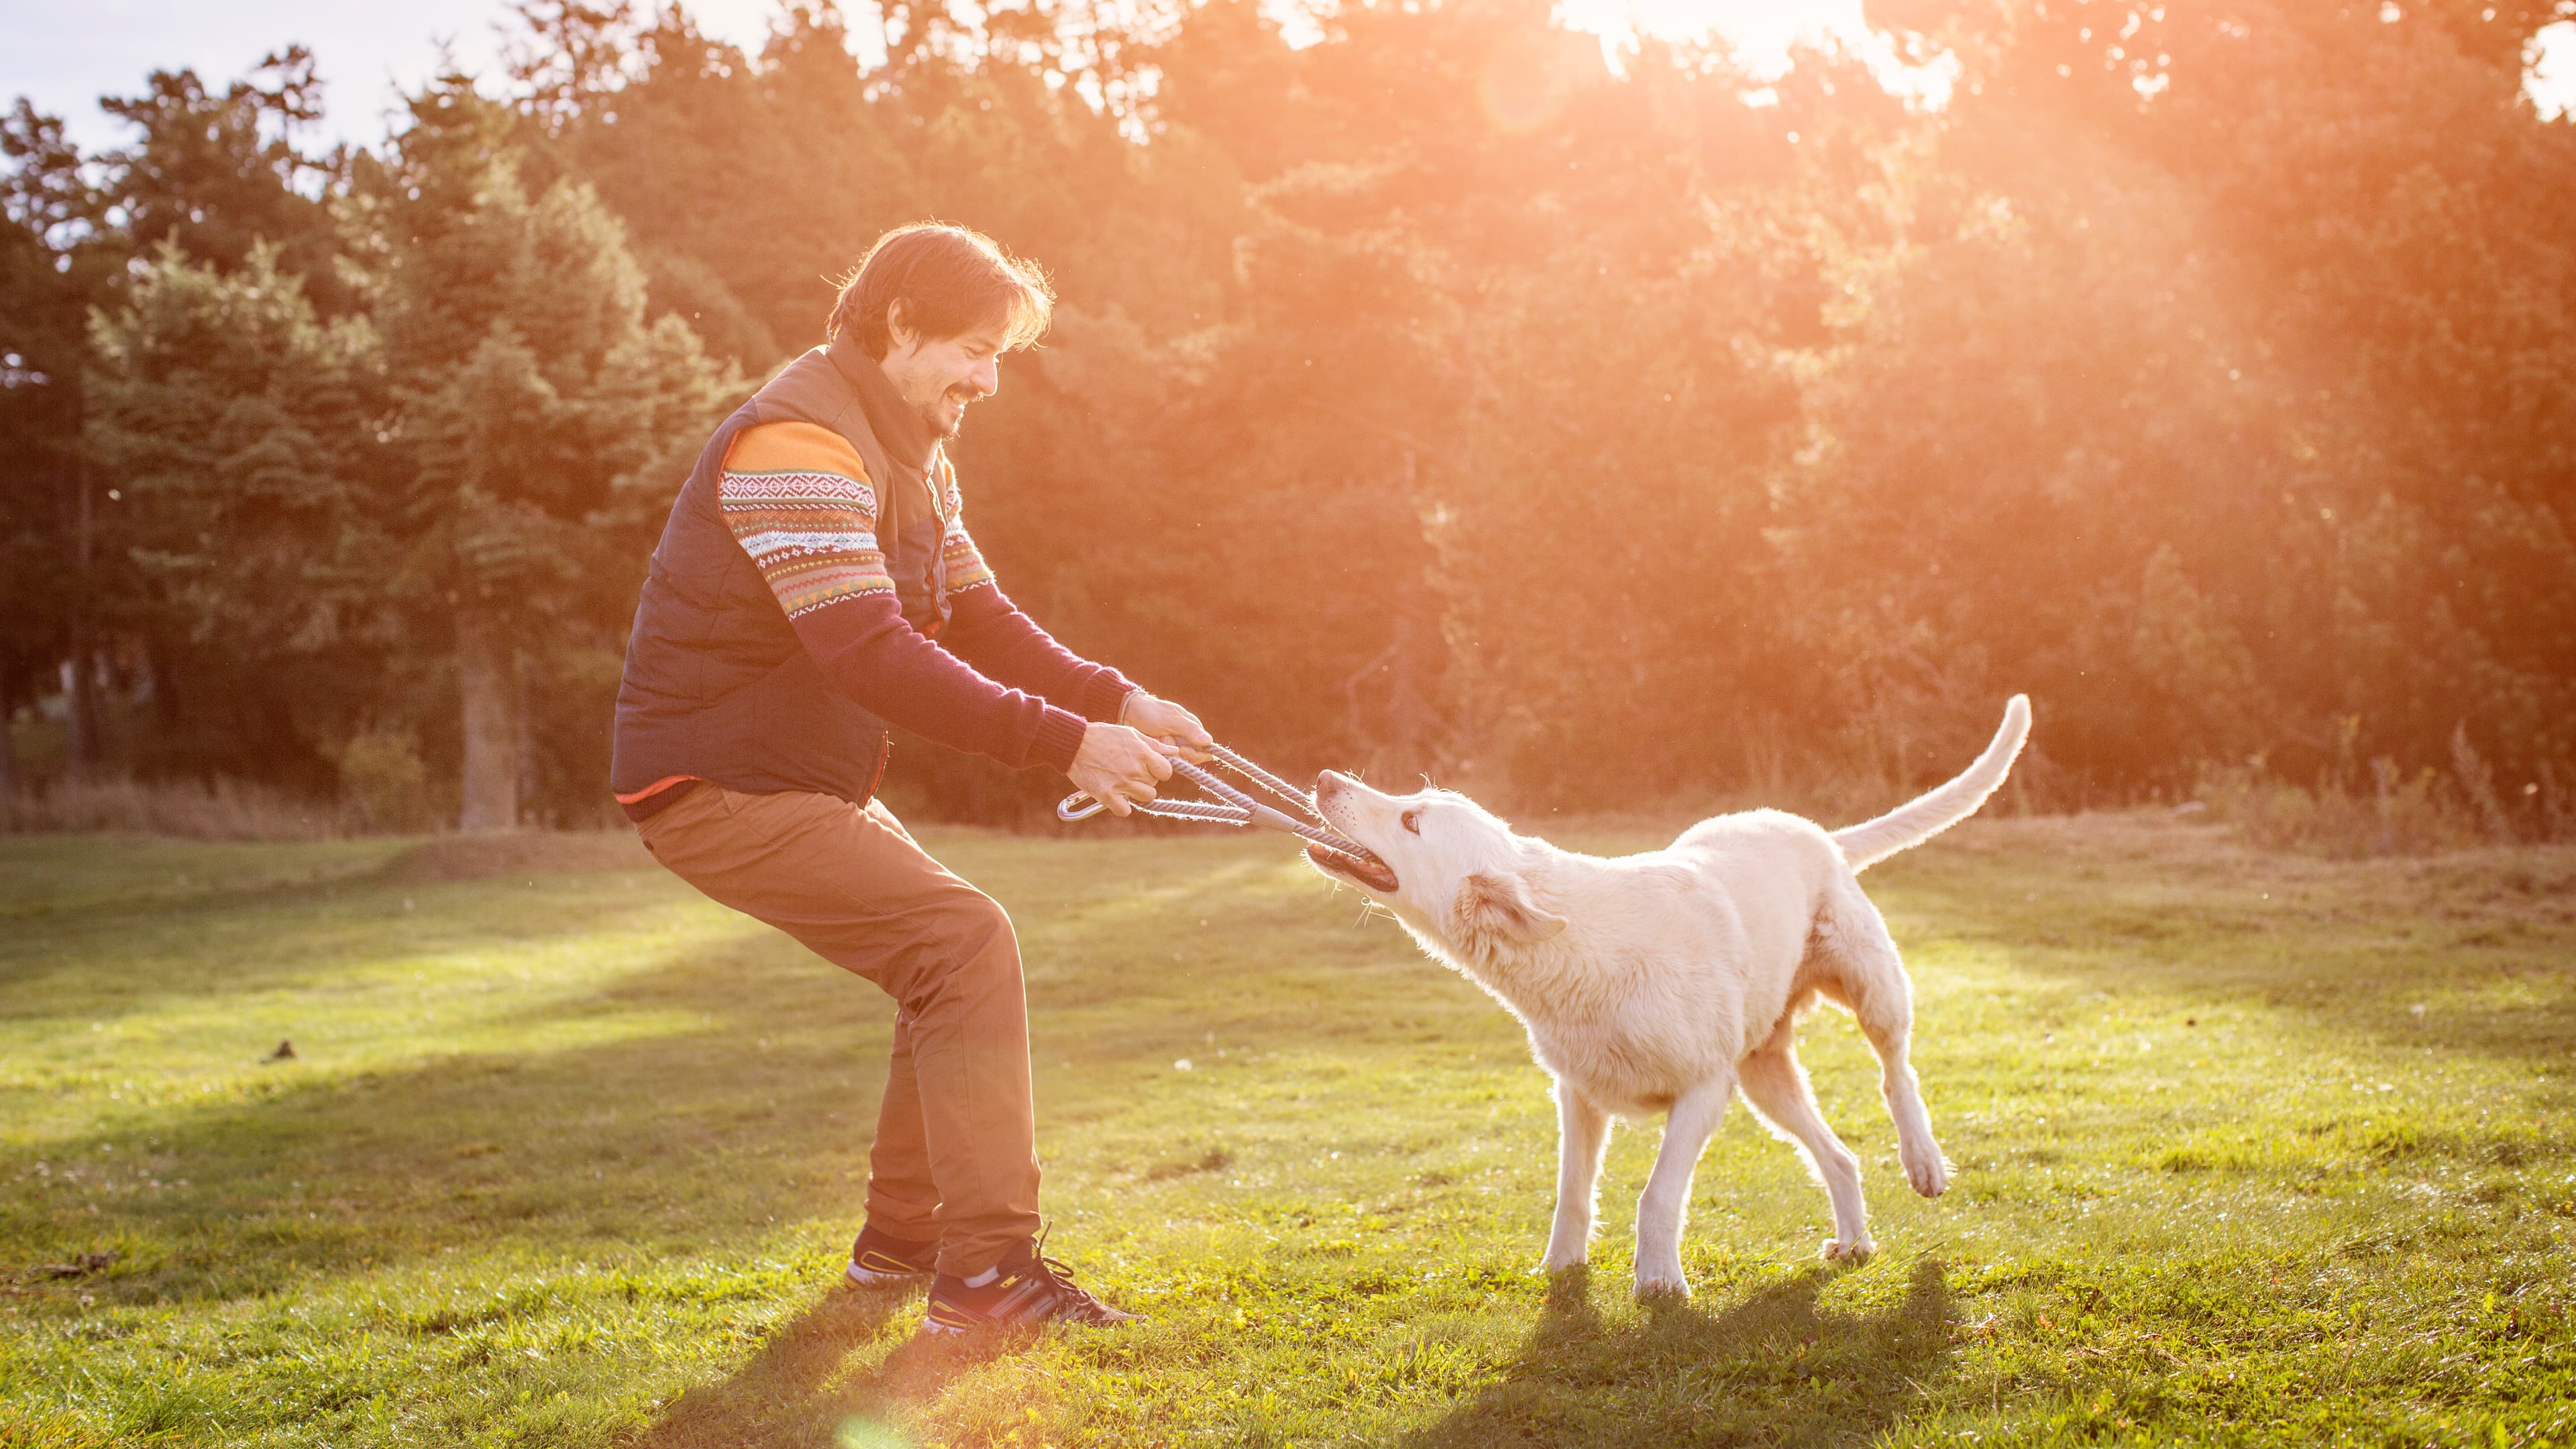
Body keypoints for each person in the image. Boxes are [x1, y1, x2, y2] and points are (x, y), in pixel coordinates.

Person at [609, 222, 1210, 1336]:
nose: (987, 379)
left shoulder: (914, 457)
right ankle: (986, 1277)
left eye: (999, 357)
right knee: (963, 941)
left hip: (791, 779)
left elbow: (982, 615)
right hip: (714, 784)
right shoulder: (797, 445)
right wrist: (1068, 744)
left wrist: (1117, 701)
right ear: (898, 325)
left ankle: (901, 1246)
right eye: (974, 350)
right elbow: (870, 652)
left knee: (943, 958)